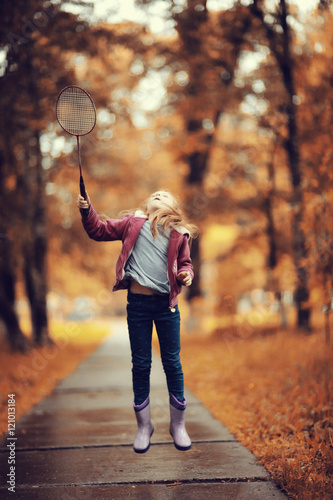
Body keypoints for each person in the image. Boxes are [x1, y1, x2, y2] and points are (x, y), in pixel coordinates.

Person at [77, 190, 198, 453]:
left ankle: (178, 426)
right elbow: (98, 230)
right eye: (155, 194)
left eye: (164, 195)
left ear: (172, 207)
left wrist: (186, 274)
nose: (158, 194)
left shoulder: (179, 232)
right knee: (141, 364)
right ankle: (144, 426)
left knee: (172, 363)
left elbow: (186, 264)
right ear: (147, 204)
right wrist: (87, 210)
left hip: (167, 306)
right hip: (139, 306)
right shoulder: (133, 223)